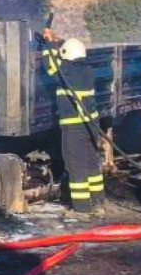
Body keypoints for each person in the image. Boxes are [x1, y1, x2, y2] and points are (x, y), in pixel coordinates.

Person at [41, 30, 104, 215]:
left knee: (76, 167)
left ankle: (82, 209)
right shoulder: (88, 71)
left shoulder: (67, 71)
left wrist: (49, 43)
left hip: (74, 128)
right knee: (92, 165)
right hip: (91, 126)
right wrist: (56, 42)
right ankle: (98, 205)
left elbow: (51, 65)